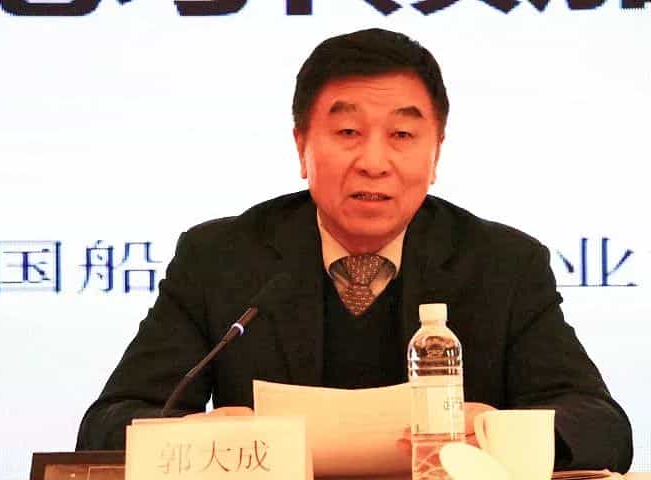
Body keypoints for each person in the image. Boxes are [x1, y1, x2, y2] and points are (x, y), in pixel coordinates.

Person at [76, 28, 633, 472]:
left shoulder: (502, 264)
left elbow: (602, 426)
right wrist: (192, 438)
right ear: (302, 146)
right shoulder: (221, 258)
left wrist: (497, 433)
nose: (373, 162)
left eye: (402, 136)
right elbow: (107, 425)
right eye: (347, 133)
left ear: (436, 152)